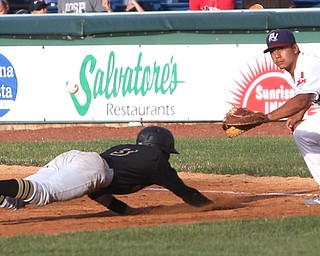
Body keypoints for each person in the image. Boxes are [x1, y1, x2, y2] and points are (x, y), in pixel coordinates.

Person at [0, 126, 212, 214]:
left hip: (74, 157)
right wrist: (213, 205)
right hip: (92, 166)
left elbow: (95, 189)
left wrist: (126, 211)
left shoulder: (123, 151)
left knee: (15, 200)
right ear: (162, 149)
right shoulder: (155, 160)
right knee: (42, 193)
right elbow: (184, 192)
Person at [261, 29, 320, 205]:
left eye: (281, 49)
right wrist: (298, 115)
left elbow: (302, 100)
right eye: (272, 51)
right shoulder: (293, 70)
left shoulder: (308, 64)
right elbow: (308, 96)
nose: (277, 55)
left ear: (295, 48)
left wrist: (267, 117)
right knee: (303, 134)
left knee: (303, 133)